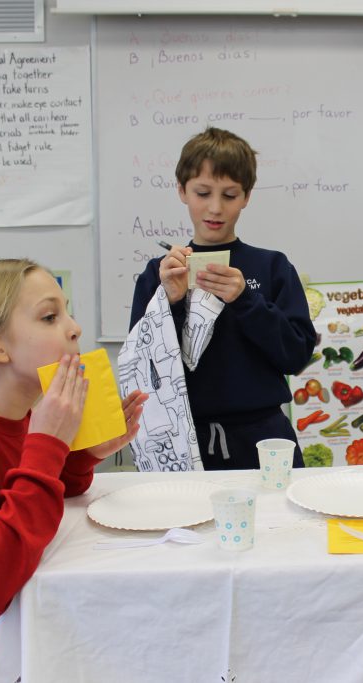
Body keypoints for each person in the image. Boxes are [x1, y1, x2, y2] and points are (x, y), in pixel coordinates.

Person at [0, 259, 148, 682]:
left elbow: (45, 495)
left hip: (30, 641)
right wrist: (48, 443)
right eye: (50, 317)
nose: (73, 327)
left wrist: (82, 455)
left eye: (67, 312)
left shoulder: (17, 412)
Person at [130, 127, 316, 470]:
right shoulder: (160, 273)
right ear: (182, 191)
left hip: (264, 438)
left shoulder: (271, 266)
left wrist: (246, 300)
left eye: (230, 195)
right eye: (203, 192)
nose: (215, 208)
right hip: (184, 440)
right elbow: (142, 370)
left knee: (281, 523)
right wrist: (170, 304)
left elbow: (296, 356)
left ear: (246, 196)